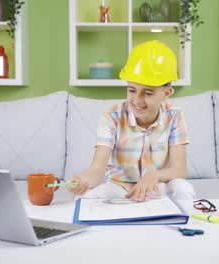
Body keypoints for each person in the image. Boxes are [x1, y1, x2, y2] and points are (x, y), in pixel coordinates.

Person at [66, 40, 195, 202]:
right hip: (119, 188)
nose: (137, 100)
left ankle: (182, 225)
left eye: (148, 93)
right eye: (132, 90)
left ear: (167, 93)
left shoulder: (175, 116)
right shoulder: (112, 116)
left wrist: (153, 176)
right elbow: (97, 170)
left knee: (182, 188)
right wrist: (82, 180)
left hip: (157, 186)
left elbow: (179, 169)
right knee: (84, 198)